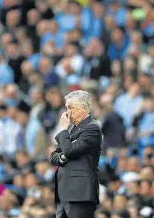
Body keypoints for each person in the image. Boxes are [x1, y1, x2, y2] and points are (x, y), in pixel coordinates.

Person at [50, 90, 102, 218]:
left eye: (70, 107)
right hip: (64, 193)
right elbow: (54, 156)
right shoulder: (71, 129)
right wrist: (63, 157)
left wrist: (62, 129)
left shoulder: (92, 128)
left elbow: (69, 151)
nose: (67, 112)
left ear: (83, 109)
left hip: (80, 193)